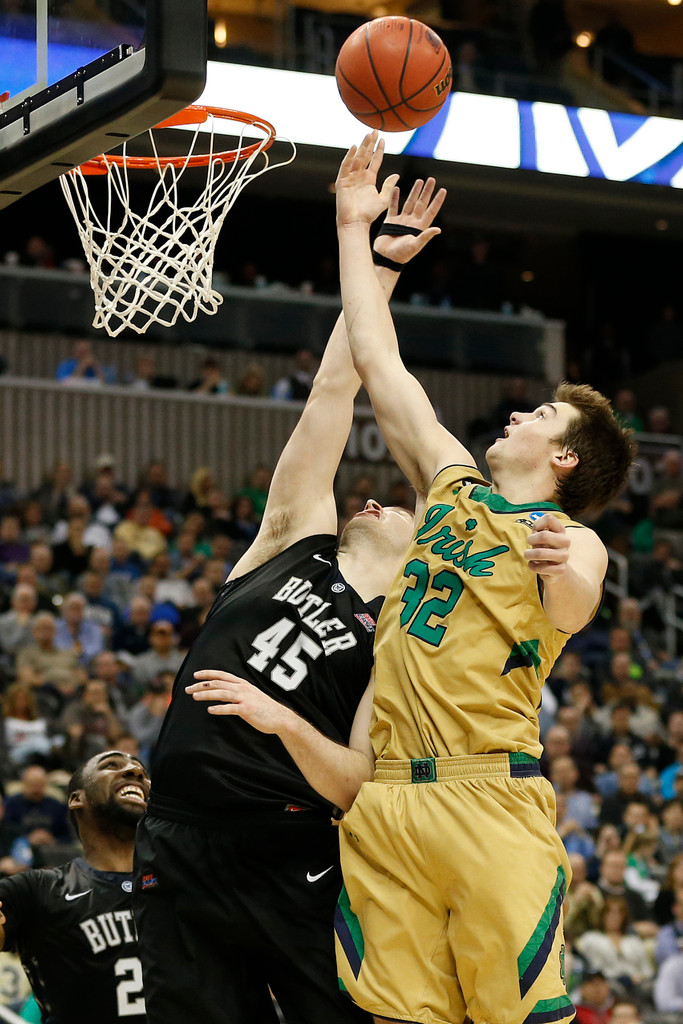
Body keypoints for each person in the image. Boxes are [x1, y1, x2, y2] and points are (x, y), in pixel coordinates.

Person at [332, 132, 637, 1024]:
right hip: (387, 801)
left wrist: (559, 578)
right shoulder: (450, 483)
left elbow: (577, 596)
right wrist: (355, 231)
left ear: (567, 459)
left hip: (486, 794)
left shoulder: (565, 534)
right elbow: (377, 362)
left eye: (540, 412)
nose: (518, 409)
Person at [133, 185, 445, 1024]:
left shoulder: (403, 643)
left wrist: (279, 722)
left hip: (290, 850)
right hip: (179, 833)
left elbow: (353, 785)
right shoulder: (290, 537)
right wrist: (376, 264)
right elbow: (333, 391)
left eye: (400, 506)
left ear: (425, 547)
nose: (375, 499)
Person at [0, 750, 149, 1023]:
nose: (136, 772)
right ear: (76, 798)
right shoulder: (39, 889)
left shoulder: (180, 885)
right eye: (111, 765)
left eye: (141, 770)